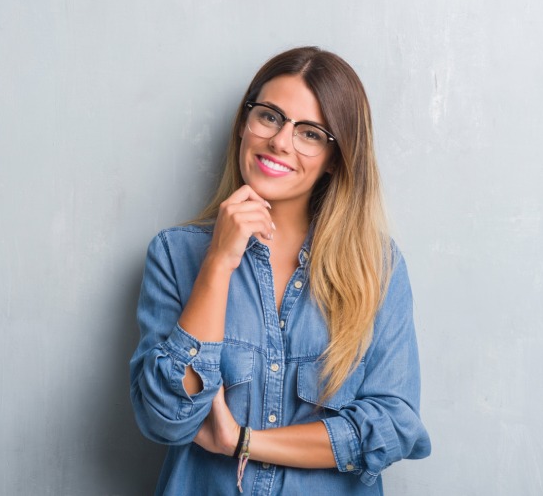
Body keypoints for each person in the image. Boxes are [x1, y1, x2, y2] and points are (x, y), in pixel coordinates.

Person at [129, 46, 431, 495]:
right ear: (244, 126)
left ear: (335, 156)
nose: (280, 142)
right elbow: (166, 417)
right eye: (270, 116)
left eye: (310, 133)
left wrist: (243, 442)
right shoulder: (175, 256)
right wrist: (218, 264)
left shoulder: (377, 268)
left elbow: (393, 425)